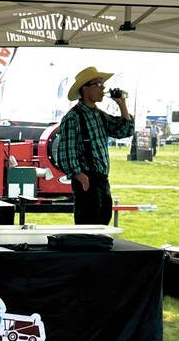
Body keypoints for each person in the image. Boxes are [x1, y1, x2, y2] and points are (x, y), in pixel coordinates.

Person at [53, 65, 135, 225]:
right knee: (87, 229)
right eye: (98, 84)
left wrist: (122, 104)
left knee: (102, 226)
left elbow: (125, 130)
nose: (103, 89)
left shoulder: (98, 115)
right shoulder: (73, 117)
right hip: (87, 180)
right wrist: (81, 177)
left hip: (101, 180)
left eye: (102, 84)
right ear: (85, 89)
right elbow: (65, 154)